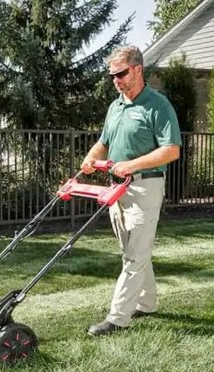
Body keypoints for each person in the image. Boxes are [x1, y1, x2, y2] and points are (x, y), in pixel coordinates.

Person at [80, 45, 182, 336]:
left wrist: (131, 165)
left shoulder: (158, 105)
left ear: (138, 69)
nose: (116, 80)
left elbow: (171, 150)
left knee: (135, 255)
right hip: (117, 190)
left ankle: (117, 317)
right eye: (112, 75)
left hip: (145, 187)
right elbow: (104, 142)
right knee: (132, 251)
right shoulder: (116, 106)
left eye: (121, 73)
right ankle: (147, 303)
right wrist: (91, 157)